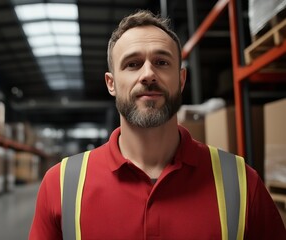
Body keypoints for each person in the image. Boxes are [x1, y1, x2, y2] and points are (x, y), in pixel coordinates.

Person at [29, 10, 286, 239]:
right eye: (132, 64)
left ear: (181, 79)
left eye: (162, 62)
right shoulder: (61, 185)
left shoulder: (241, 182)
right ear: (111, 83)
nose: (148, 74)